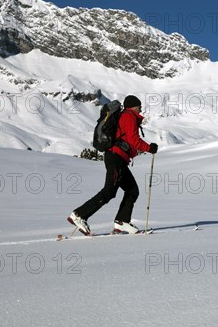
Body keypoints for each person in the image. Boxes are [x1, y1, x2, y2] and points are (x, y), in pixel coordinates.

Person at [68, 95, 158, 235]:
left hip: (119, 158)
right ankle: (79, 215)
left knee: (132, 190)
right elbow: (134, 140)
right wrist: (149, 148)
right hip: (115, 158)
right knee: (109, 191)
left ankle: (122, 222)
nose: (141, 108)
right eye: (139, 106)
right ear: (134, 106)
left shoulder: (128, 116)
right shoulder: (129, 116)